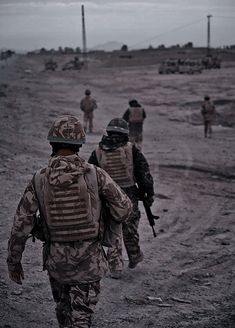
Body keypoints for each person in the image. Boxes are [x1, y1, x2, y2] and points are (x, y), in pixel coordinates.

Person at [7, 115, 132, 328]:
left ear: (51, 143)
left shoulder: (39, 179)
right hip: (89, 261)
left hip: (57, 262)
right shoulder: (96, 175)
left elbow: (21, 224)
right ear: (80, 144)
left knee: (64, 311)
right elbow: (124, 209)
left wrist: (14, 261)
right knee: (81, 316)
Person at [88, 118, 154, 279]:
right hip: (129, 194)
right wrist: (148, 194)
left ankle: (115, 265)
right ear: (126, 133)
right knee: (130, 227)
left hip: (106, 196)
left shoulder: (98, 151)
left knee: (112, 228)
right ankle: (134, 254)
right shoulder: (132, 150)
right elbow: (144, 174)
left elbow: (90, 177)